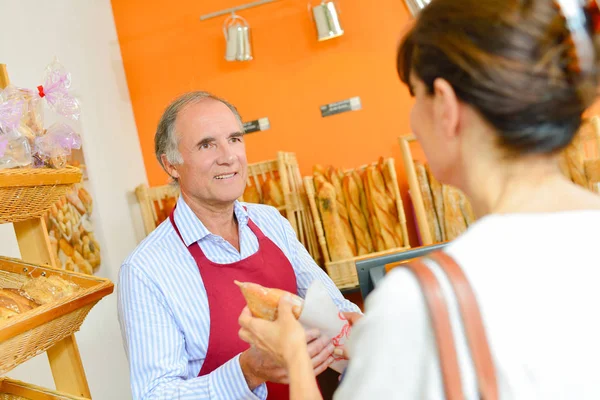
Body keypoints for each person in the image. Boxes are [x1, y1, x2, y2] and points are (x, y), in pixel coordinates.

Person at [237, 0, 600, 398]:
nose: (413, 116)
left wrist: (294, 357)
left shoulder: (424, 301)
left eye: (415, 94)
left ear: (444, 105)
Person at [118, 91, 361, 400]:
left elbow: (332, 306)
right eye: (207, 144)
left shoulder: (271, 221)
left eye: (234, 139)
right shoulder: (145, 270)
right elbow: (155, 395)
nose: (228, 155)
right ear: (171, 164)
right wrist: (248, 371)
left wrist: (360, 329)